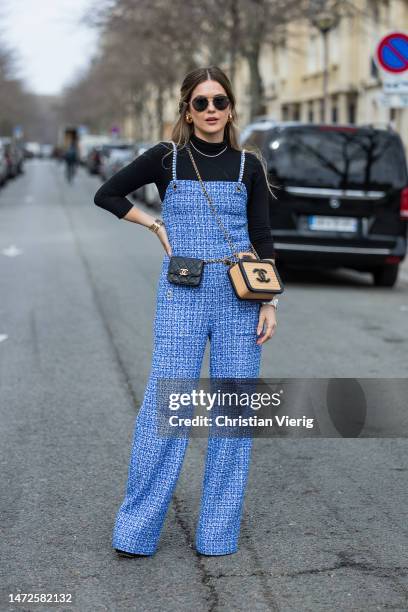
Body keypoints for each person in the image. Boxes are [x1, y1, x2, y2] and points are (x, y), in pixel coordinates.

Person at [93, 65, 278, 557]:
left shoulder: (249, 165)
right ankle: (136, 532)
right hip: (183, 292)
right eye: (202, 102)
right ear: (187, 109)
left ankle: (216, 534)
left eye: (220, 101)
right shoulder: (166, 159)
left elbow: (262, 238)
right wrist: (154, 225)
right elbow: (107, 194)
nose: (212, 110)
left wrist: (269, 301)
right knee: (167, 406)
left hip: (241, 294)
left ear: (231, 108)